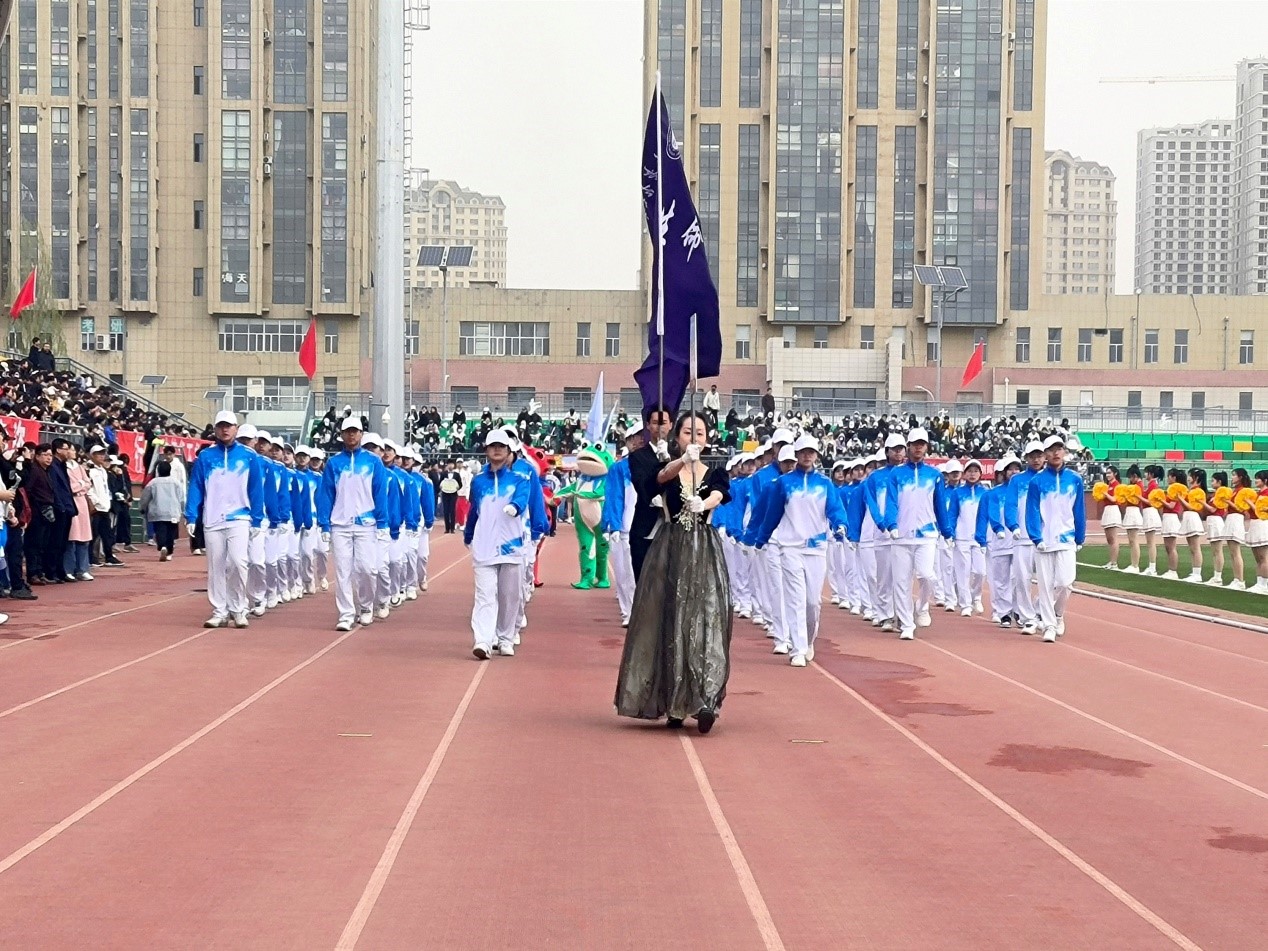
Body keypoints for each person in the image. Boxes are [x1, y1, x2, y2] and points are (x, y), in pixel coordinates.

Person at [615, 412, 731, 734]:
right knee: (670, 619)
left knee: (704, 620)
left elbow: (719, 493)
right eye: (688, 432)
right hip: (670, 550)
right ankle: (675, 701)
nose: (695, 438)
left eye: (700, 433)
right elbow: (660, 478)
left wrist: (704, 504)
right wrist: (682, 462)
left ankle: (705, 699)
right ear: (677, 436)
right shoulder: (663, 468)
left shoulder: (716, 473)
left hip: (704, 551)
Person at [749, 434, 846, 666]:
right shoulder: (783, 483)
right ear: (797, 454)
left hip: (816, 549)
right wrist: (760, 540)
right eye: (803, 452)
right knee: (795, 599)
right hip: (790, 547)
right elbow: (772, 514)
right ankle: (798, 649)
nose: (807, 456)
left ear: (816, 455)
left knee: (813, 602)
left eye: (811, 452)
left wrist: (840, 524)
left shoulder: (824, 483)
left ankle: (808, 640)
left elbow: (834, 509)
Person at [184, 411, 263, 629]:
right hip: (213, 518)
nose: (225, 430)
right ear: (215, 430)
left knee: (238, 563)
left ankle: (238, 607)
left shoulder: (248, 456)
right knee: (216, 566)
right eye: (221, 426)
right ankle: (220, 610)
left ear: (236, 428)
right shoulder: (206, 457)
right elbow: (196, 486)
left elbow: (256, 489)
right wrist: (191, 515)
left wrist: (257, 519)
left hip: (240, 517)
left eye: (228, 426)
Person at [317, 417, 389, 632]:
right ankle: (346, 614)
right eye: (347, 431)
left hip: (367, 524)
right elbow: (326, 494)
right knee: (342, 571)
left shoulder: (373, 462)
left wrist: (382, 523)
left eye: (355, 431)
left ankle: (366, 607)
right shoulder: (334, 463)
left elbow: (380, 493)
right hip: (340, 524)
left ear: (361, 434)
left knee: (367, 569)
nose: (351, 435)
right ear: (341, 434)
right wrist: (324, 524)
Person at [465, 429, 531, 659]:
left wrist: (515, 507)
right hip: (484, 546)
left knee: (509, 596)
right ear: (486, 450)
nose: (496, 450)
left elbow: (522, 499)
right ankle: (483, 640)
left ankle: (505, 638)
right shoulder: (478, 482)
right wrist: (468, 534)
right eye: (492, 446)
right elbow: (474, 510)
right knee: (484, 595)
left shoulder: (519, 480)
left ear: (508, 450)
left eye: (501, 446)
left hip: (512, 547)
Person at [1025, 434, 1085, 642]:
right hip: (1045, 540)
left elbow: (1079, 510)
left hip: (1067, 539)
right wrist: (1036, 537)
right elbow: (1032, 511)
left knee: (1066, 582)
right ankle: (1049, 625)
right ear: (1046, 454)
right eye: (1051, 450)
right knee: (1045, 585)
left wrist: (1080, 537)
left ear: (1064, 452)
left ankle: (1058, 614)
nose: (1056, 453)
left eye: (1059, 449)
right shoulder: (1037, 481)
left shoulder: (1075, 479)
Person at [628, 405, 676, 580]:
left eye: (663, 422)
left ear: (671, 425)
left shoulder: (679, 457)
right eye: (655, 422)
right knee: (644, 583)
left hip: (673, 530)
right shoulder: (637, 456)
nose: (659, 427)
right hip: (645, 528)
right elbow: (642, 486)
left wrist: (669, 460)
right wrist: (662, 465)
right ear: (648, 425)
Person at [140, 460, 186, 561]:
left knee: (160, 531)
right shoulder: (176, 482)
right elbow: (182, 497)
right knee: (171, 533)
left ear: (158, 471)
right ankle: (169, 552)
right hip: (173, 512)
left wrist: (142, 507)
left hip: (158, 512)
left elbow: (145, 497)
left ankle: (162, 546)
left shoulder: (153, 483)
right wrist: (182, 509)